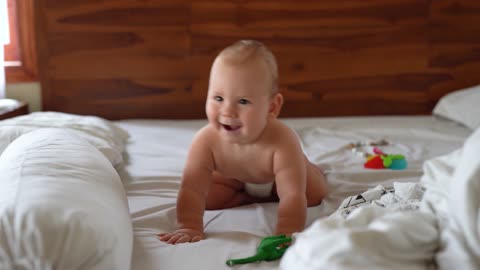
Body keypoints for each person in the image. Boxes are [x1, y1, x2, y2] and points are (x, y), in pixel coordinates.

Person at [158, 40, 328, 244]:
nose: (228, 111)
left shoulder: (282, 141)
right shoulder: (206, 141)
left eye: (243, 101)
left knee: (314, 194)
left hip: (278, 176)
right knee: (208, 200)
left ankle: (311, 170)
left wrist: (287, 232)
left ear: (272, 107)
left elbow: (292, 195)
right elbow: (191, 188)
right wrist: (189, 225)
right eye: (218, 98)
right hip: (232, 179)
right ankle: (249, 198)